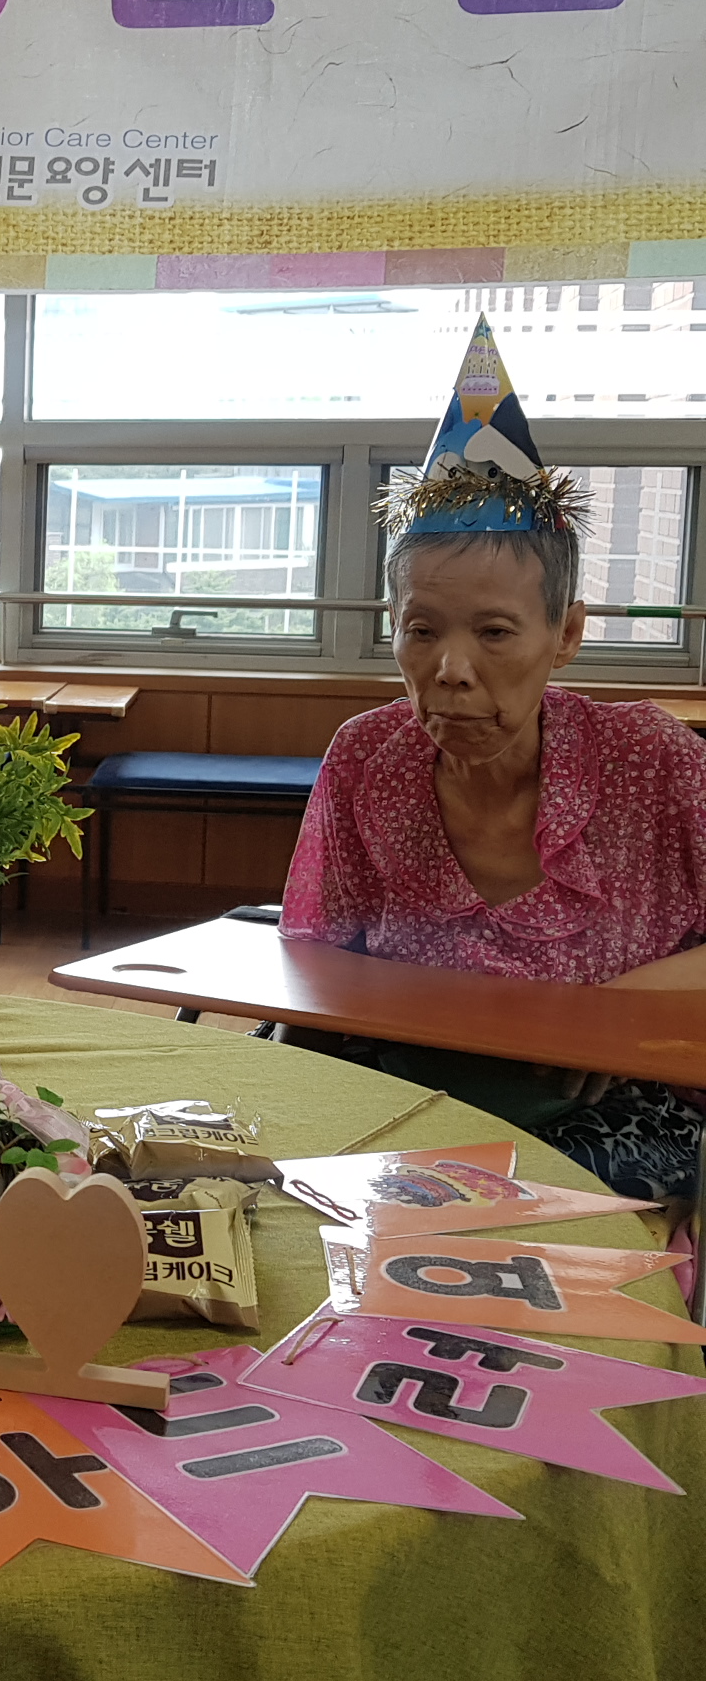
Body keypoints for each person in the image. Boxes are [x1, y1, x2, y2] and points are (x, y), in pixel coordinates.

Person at [283, 315, 706, 1198]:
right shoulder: (365, 756)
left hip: (615, 1098)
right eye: (422, 631)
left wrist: (603, 1014)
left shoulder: (654, 760)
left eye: (496, 632)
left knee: (520, 1202)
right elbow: (316, 957)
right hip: (406, 1086)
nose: (451, 669)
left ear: (567, 635)